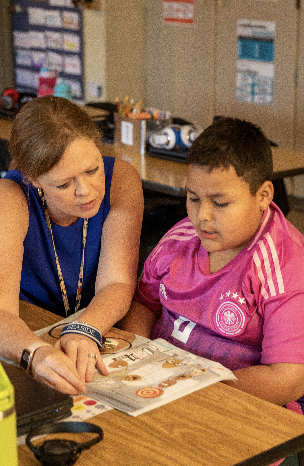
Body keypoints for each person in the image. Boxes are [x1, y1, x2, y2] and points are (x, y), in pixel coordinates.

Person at [119, 117, 304, 414]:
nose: (202, 216)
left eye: (220, 203)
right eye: (193, 199)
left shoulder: (285, 266)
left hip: (236, 407)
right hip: (157, 391)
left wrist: (192, 389)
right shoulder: (179, 238)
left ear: (263, 196)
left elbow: (287, 380)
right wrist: (139, 355)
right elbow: (145, 304)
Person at [0, 95, 143, 395]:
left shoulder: (122, 180)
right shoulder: (10, 198)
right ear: (33, 179)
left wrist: (84, 327)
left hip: (90, 328)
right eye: (64, 185)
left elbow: (117, 282)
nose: (86, 191)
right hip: (26, 332)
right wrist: (34, 353)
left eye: (92, 170)